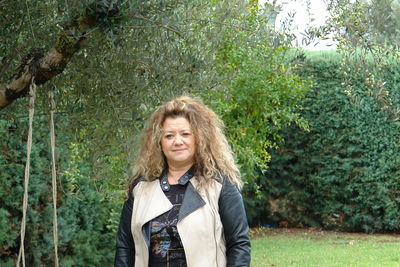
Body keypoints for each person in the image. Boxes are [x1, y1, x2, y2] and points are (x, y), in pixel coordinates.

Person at [114, 96, 251, 267]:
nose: (177, 141)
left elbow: (239, 245)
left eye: (185, 134)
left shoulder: (220, 186)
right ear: (159, 142)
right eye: (169, 136)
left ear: (199, 138)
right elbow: (125, 247)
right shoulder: (140, 188)